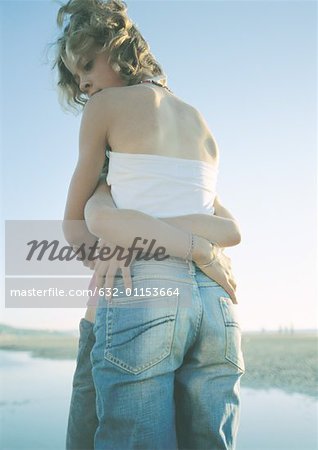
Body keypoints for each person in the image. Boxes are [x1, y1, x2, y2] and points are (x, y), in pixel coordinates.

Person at [53, 0, 245, 448]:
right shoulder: (198, 120)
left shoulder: (104, 106)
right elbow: (229, 229)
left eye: (85, 64)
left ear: (115, 47)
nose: (83, 82)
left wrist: (116, 236)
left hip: (144, 290)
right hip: (218, 299)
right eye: (75, 75)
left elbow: (73, 226)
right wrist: (194, 243)